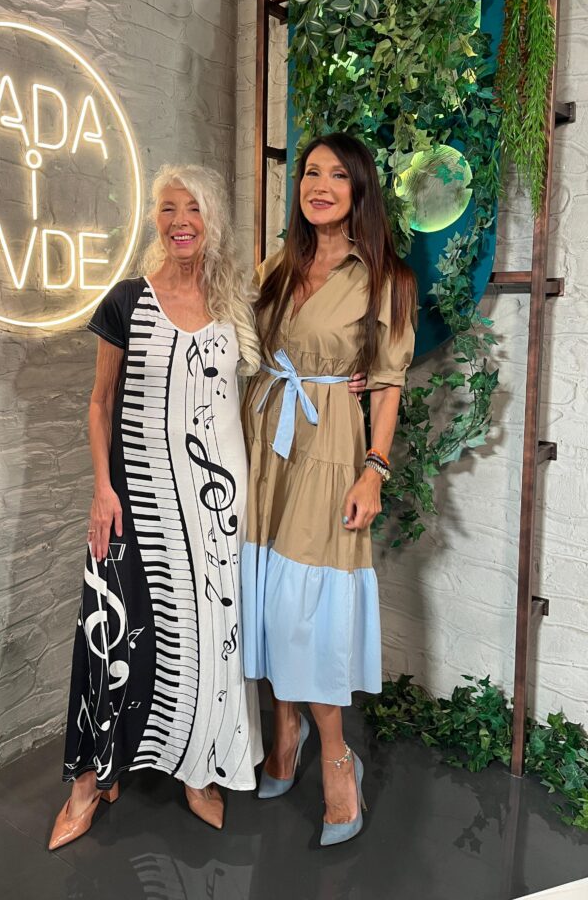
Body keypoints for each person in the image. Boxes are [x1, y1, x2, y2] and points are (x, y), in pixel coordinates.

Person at [50, 164, 266, 850]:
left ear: (211, 221)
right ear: (155, 220)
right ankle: (90, 782)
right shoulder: (126, 301)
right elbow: (99, 403)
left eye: (192, 209)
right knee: (110, 632)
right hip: (133, 498)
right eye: (169, 208)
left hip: (216, 504)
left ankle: (201, 770)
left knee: (210, 634)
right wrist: (102, 488)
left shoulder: (235, 305)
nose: (180, 221)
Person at [241, 132, 416, 846]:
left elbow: (388, 383)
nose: (319, 185)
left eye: (336, 175)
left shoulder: (385, 279)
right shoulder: (275, 266)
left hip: (330, 447)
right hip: (262, 444)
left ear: (359, 189)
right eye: (310, 173)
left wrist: (374, 469)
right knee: (262, 598)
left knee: (304, 610)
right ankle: (284, 730)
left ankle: (338, 758)